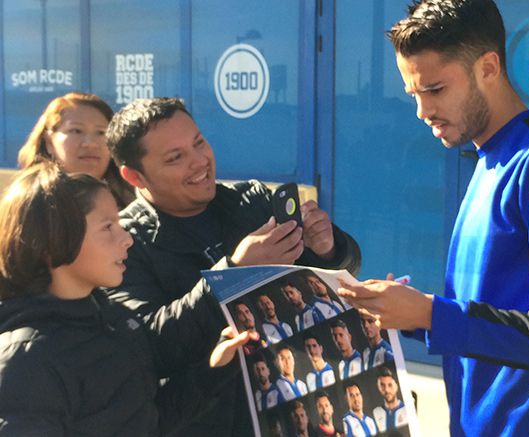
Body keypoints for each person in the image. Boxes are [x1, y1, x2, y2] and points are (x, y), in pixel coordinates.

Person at [338, 1, 529, 436]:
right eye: (414, 94)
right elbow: (495, 310)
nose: (422, 111)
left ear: (489, 67)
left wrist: (433, 314)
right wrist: (410, 315)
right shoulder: (489, 160)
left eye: (434, 89)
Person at [105, 97, 361, 436]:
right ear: (134, 176)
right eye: (176, 157)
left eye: (199, 142)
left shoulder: (251, 202)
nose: (199, 162)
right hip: (203, 421)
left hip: (291, 409)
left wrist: (327, 249)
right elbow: (151, 346)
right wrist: (234, 272)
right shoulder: (121, 243)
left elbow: (337, 275)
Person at [0, 162, 247, 435]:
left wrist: (213, 371)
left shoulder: (117, 320)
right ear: (54, 241)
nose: (126, 238)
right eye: (108, 227)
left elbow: (149, 422)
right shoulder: (26, 360)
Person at [17, 92, 134, 207]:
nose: (90, 144)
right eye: (76, 131)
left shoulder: (131, 202)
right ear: (49, 142)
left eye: (101, 132)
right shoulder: (32, 202)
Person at [372, 368, 407, 432]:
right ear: (378, 388)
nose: (387, 390)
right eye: (382, 385)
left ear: (396, 386)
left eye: (390, 385)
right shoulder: (376, 412)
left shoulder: (407, 410)